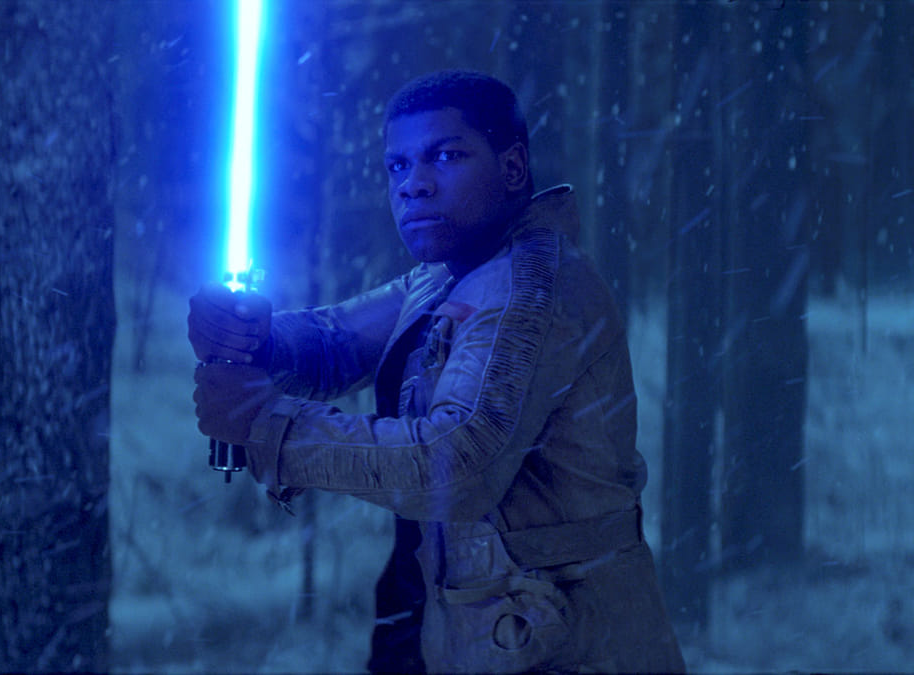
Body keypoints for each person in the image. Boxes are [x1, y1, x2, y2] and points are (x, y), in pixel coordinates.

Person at [189, 70, 685, 673]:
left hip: (552, 644)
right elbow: (339, 341)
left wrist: (268, 426)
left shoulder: (529, 290)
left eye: (445, 156)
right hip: (469, 622)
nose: (414, 185)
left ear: (512, 168)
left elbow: (455, 462)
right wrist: (254, 338)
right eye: (397, 166)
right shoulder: (453, 272)